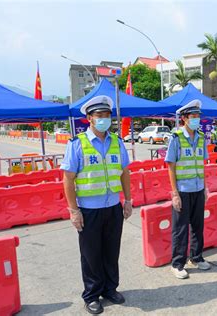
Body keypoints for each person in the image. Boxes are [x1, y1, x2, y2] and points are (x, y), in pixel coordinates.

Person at [61, 95, 132, 314]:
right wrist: (74, 210)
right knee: (91, 254)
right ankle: (92, 295)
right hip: (89, 210)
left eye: (107, 115)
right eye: (99, 116)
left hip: (113, 206)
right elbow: (68, 179)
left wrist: (127, 200)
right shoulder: (77, 144)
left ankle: (110, 288)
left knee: (111, 251)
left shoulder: (117, 142)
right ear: (89, 119)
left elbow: (124, 172)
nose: (104, 119)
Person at [165, 99, 211, 279]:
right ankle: (177, 264)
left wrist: (206, 187)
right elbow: (171, 166)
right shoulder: (175, 138)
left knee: (198, 226)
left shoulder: (201, 138)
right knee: (180, 228)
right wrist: (174, 193)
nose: (196, 120)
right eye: (193, 117)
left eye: (198, 116)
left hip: (198, 189)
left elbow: (202, 164)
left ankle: (196, 257)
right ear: (184, 118)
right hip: (183, 190)